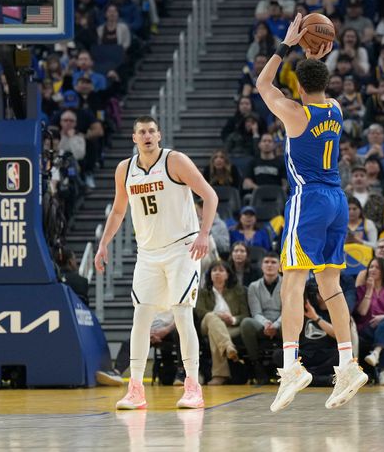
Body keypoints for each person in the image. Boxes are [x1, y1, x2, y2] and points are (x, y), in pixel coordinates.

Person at [255, 14, 367, 412]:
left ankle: (290, 366)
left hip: (309, 200)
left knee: (292, 284)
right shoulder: (335, 109)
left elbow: (262, 85)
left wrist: (285, 45)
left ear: (299, 85)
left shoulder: (294, 114)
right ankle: (349, 362)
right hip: (339, 200)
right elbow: (317, 80)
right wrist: (320, 54)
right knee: (330, 286)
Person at [95, 115, 218, 410]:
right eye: (142, 132)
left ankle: (192, 385)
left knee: (182, 314)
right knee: (141, 317)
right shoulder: (125, 169)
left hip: (182, 249)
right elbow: (117, 211)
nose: (147, 135)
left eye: (151, 131)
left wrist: (204, 234)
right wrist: (103, 244)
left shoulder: (174, 161)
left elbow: (210, 196)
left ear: (159, 135)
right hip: (148, 253)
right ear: (134, 138)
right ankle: (135, 388)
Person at [195, 261, 248, 385]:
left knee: (216, 334)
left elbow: (245, 314)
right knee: (211, 317)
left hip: (232, 326)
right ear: (210, 274)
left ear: (227, 275)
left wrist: (233, 319)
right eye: (214, 270)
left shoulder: (237, 291)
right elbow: (200, 311)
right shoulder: (203, 292)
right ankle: (228, 346)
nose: (217, 273)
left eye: (221, 270)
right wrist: (218, 315)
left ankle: (220, 375)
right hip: (207, 324)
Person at [355, 258, 384, 385]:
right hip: (367, 327)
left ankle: (376, 353)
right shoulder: (361, 289)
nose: (373, 270)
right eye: (371, 267)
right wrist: (369, 291)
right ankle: (383, 372)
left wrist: (382, 318)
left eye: (377, 267)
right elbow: (362, 312)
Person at [241, 252, 283, 384]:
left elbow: (288, 311)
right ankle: (256, 364)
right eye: (266, 262)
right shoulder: (254, 286)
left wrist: (276, 325)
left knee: (292, 322)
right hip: (262, 323)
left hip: (282, 322)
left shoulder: (287, 283)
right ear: (261, 266)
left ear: (280, 266)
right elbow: (256, 312)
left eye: (273, 262)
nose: (269, 265)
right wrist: (266, 324)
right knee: (246, 323)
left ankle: (286, 364)